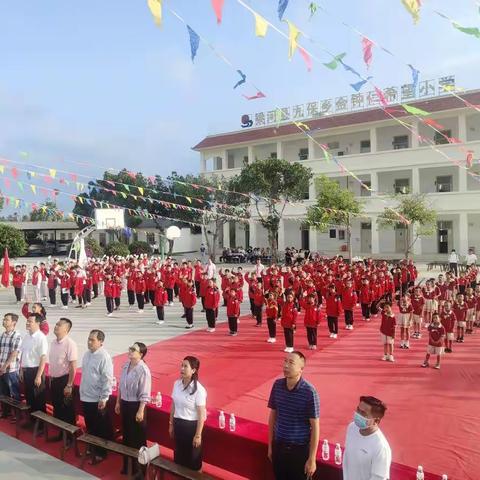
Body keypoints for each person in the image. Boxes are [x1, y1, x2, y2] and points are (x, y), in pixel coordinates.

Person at [268, 351, 320, 480]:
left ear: (301, 369)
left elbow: (315, 427)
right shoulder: (277, 385)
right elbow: (272, 416)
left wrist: (312, 459)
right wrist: (270, 446)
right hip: (279, 448)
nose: (286, 365)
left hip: (299, 451)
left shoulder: (309, 392)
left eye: (291, 363)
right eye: (285, 361)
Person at [115, 342, 151, 477]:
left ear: (141, 354)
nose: (130, 351)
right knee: (127, 436)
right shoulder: (126, 365)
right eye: (130, 348)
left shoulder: (143, 370)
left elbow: (145, 393)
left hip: (136, 406)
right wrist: (118, 402)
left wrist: (141, 410)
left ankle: (140, 470)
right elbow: (121, 385)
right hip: (125, 403)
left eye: (133, 349)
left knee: (138, 439)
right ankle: (127, 465)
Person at [79, 329, 114, 463]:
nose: (89, 342)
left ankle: (101, 452)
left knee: (100, 427)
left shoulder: (104, 357)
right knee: (90, 425)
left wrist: (104, 398)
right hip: (86, 396)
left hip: (96, 398)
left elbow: (107, 379)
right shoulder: (87, 354)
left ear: (100, 342)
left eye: (92, 340)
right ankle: (92, 446)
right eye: (88, 339)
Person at [169, 356, 207, 471]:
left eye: (186, 366)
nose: (182, 368)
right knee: (180, 457)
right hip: (178, 424)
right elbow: (173, 405)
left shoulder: (199, 390)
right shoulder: (176, 384)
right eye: (181, 365)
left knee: (193, 460)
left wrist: (198, 435)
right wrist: (171, 424)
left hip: (191, 427)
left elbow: (201, 415)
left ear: (193, 370)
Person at [342, 396, 391, 480]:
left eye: (363, 413)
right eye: (358, 410)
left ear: (376, 421)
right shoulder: (352, 428)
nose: (358, 414)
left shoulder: (381, 447)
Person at [48, 318, 77, 429]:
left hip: (64, 381)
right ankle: (61, 433)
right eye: (56, 324)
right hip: (54, 380)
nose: (56, 326)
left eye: (59, 325)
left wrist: (69, 385)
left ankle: (70, 436)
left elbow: (73, 366)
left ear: (66, 329)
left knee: (67, 410)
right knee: (57, 408)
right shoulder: (53, 342)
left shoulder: (70, 344)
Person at [20, 313, 48, 420]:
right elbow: (24, 354)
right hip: (27, 371)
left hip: (36, 371)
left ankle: (40, 425)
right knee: (30, 398)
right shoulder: (27, 336)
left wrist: (38, 376)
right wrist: (22, 370)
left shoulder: (41, 338)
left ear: (38, 323)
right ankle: (32, 421)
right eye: (27, 321)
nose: (27, 323)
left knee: (38, 399)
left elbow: (43, 357)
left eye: (30, 321)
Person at [0, 313, 22, 418]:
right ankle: (6, 412)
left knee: (14, 393)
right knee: (3, 392)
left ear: (13, 322)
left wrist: (4, 366)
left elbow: (14, 353)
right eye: (4, 319)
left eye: (6, 320)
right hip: (2, 369)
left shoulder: (16, 336)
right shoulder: (3, 335)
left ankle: (17, 414)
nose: (4, 321)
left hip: (11, 370)